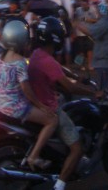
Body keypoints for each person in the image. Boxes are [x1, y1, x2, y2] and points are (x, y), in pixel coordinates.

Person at [27, 17, 102, 190]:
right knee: (77, 148)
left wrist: (76, 76)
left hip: (38, 103)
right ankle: (60, 185)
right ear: (57, 38)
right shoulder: (47, 59)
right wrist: (93, 92)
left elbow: (59, 68)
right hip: (49, 107)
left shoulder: (38, 54)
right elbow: (68, 86)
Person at [0, 20, 58, 171]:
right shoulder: (20, 63)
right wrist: (42, 106)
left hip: (0, 103)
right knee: (52, 120)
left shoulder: (1, 57)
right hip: (15, 107)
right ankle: (34, 156)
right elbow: (26, 90)